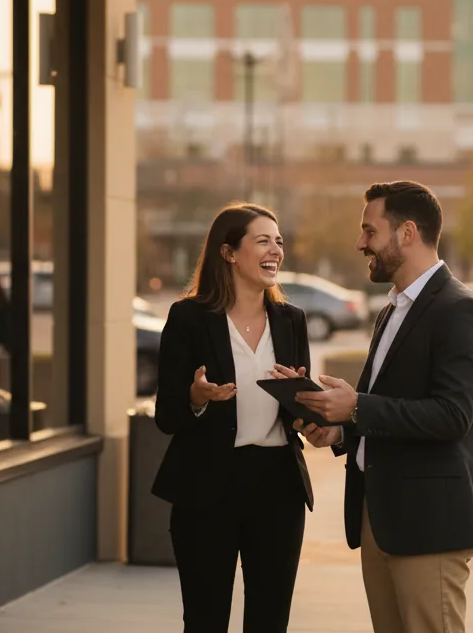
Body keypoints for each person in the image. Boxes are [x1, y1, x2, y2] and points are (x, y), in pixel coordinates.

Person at [292, 181, 473, 633]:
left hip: (429, 523)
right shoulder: (392, 310)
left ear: (406, 233)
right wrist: (340, 428)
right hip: (380, 516)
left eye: (370, 230)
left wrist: (357, 408)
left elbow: (452, 416)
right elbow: (387, 405)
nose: (360, 243)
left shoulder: (459, 310)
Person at [151, 203, 314, 633]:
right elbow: (166, 415)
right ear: (228, 253)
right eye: (262, 241)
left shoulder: (291, 320)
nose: (275, 250)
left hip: (278, 487)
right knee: (204, 620)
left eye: (279, 241)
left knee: (270, 620)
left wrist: (307, 409)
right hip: (207, 487)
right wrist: (197, 397)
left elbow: (298, 408)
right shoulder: (188, 318)